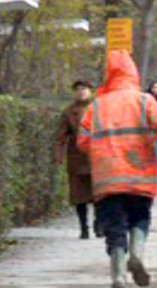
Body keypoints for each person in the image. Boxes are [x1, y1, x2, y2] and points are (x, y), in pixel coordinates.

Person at [78, 50, 157, 288]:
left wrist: (101, 153)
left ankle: (118, 276)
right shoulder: (145, 101)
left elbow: (82, 141)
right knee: (140, 217)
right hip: (140, 174)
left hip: (107, 178)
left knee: (114, 227)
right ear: (134, 74)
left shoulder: (96, 106)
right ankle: (137, 252)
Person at [56, 79, 102, 239]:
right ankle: (83, 227)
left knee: (99, 194)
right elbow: (61, 136)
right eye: (78, 89)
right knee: (79, 195)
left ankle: (98, 224)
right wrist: (59, 155)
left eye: (84, 89)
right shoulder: (69, 111)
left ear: (90, 91)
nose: (81, 92)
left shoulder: (99, 108)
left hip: (98, 156)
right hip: (77, 157)